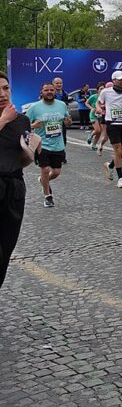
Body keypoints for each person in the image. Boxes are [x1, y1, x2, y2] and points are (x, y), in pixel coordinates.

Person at [0, 72, 39, 287]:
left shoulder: (22, 120)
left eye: (5, 88)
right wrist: (3, 120)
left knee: (6, 250)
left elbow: (21, 160)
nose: (2, 94)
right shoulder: (7, 119)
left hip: (13, 189)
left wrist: (31, 150)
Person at [27, 81, 71, 208]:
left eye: (51, 90)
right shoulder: (34, 107)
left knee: (56, 172)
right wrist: (33, 125)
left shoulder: (62, 105)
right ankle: (47, 196)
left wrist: (68, 122)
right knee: (45, 170)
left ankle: (43, 181)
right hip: (42, 144)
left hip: (58, 144)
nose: (49, 92)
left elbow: (67, 120)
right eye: (46, 90)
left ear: (55, 92)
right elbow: (24, 125)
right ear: (41, 92)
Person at [97, 71, 122, 189]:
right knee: (117, 151)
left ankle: (110, 165)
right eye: (120, 79)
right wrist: (99, 109)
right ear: (114, 80)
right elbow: (98, 102)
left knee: (121, 153)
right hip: (112, 124)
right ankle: (121, 179)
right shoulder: (106, 92)